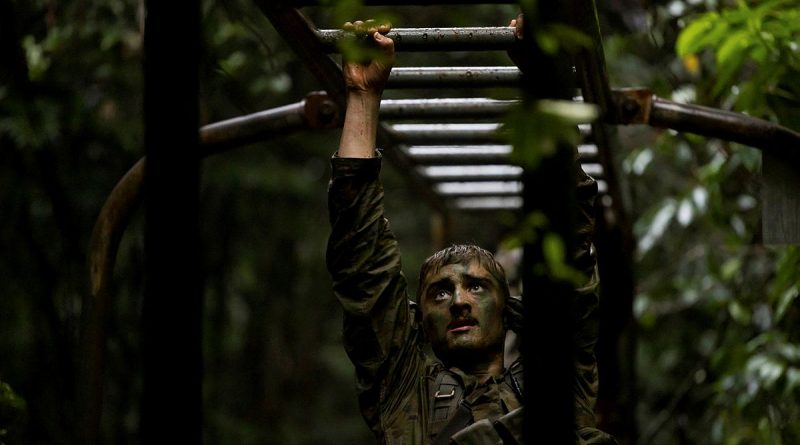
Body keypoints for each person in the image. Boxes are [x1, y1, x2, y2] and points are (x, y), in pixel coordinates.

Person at [326, 19, 616, 445]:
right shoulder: (407, 392)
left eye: (477, 288)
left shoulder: (557, 375)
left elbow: (568, 245)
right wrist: (362, 95)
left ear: (507, 307)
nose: (459, 301)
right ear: (420, 321)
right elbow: (362, 264)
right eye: (440, 293)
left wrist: (544, 80)